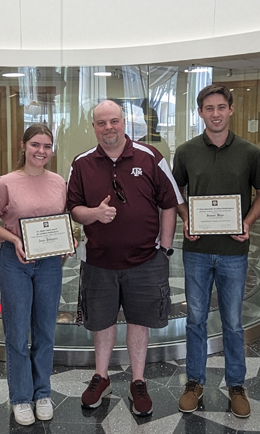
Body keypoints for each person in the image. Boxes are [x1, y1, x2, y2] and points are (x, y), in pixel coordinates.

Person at [67, 100, 183, 416]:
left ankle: (138, 380)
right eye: (101, 123)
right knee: (101, 323)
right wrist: (94, 214)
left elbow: (169, 203)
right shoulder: (81, 163)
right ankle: (101, 376)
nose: (108, 128)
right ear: (94, 127)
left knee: (139, 321)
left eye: (114, 121)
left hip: (146, 260)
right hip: (98, 262)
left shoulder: (150, 157)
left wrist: (166, 249)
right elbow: (73, 208)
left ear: (124, 122)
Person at [172, 84, 260, 418]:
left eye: (221, 107)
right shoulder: (186, 152)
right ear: (200, 113)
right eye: (208, 108)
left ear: (230, 110)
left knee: (232, 322)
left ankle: (237, 386)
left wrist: (247, 222)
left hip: (233, 252)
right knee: (196, 319)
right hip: (196, 250)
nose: (215, 113)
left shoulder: (249, 152)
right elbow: (176, 193)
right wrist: (187, 219)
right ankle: (194, 382)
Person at [0, 123, 67, 425]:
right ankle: (20, 396)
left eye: (46, 146)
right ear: (23, 146)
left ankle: (43, 392)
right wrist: (14, 239)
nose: (41, 151)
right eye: (35, 145)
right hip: (15, 261)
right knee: (17, 332)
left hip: (49, 263)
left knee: (45, 330)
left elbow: (61, 220)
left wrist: (66, 240)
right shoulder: (7, 183)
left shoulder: (58, 182)